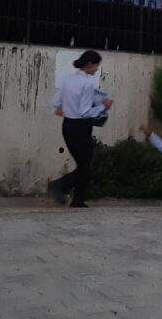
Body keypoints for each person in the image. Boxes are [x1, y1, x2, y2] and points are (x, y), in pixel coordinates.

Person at [48, 50, 111, 208]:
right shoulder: (87, 84)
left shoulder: (68, 79)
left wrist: (69, 107)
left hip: (68, 124)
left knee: (84, 164)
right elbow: (85, 111)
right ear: (89, 64)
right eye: (96, 65)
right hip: (81, 126)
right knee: (85, 165)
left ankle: (78, 199)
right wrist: (103, 107)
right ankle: (59, 186)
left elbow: (55, 101)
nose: (96, 69)